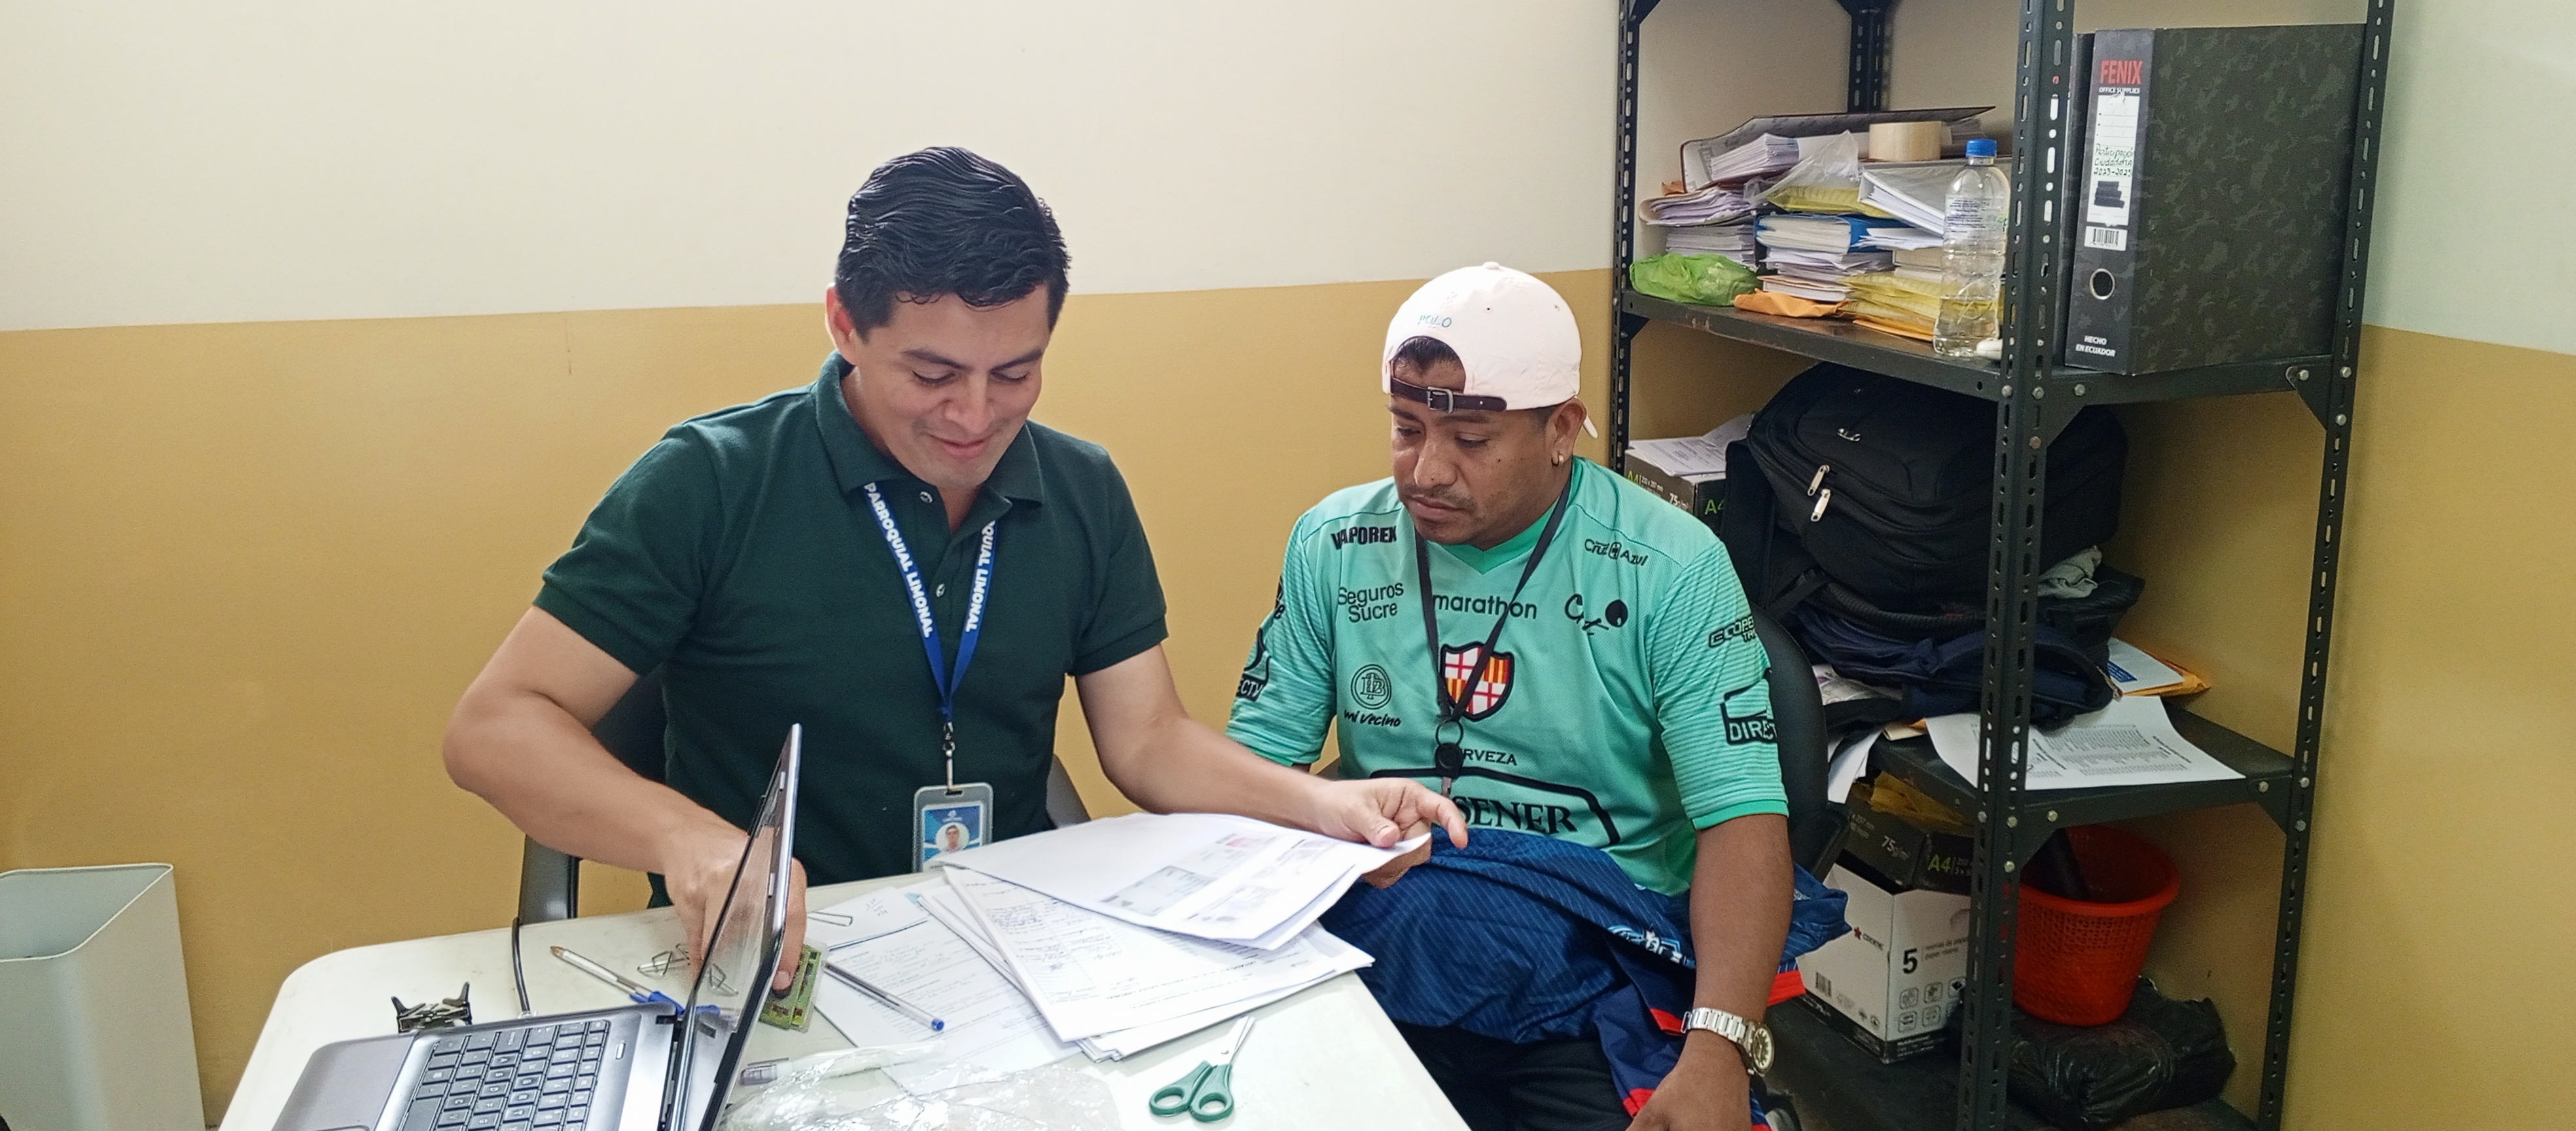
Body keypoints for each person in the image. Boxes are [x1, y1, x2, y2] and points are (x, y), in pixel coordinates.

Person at [444, 147, 1464, 988]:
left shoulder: (1080, 488)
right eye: (931, 373)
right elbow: (494, 727)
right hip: (782, 961)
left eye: (1015, 372)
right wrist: (693, 840)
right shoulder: (711, 482)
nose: (974, 417)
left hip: (1007, 954)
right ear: (844, 324)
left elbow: (1149, 740)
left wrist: (1326, 805)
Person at [1226, 264, 1793, 1131]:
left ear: (1561, 429)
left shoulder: (1670, 567)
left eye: (1472, 440)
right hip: (1393, 938)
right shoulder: (1335, 545)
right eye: (1405, 429)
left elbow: (1743, 820)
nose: (1427, 471)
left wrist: (1719, 1048)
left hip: (1592, 970)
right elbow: (1251, 778)